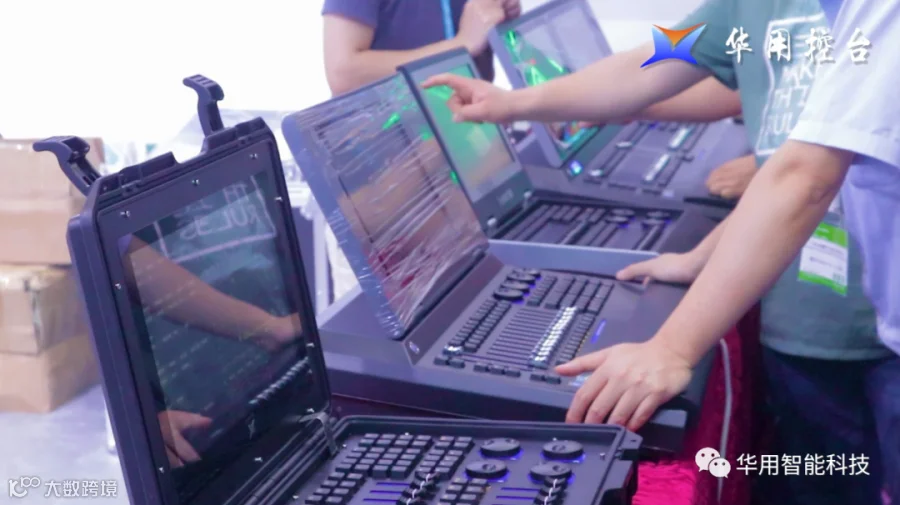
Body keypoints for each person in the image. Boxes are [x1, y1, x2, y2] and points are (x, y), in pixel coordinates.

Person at [421, 0, 899, 502]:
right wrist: (515, 102)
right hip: (806, 312)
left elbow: (804, 176)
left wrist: (673, 348)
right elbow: (653, 61)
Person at [322, 0, 522, 96]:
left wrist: (504, 20)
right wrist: (460, 46)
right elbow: (344, 75)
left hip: (474, 138)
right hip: (392, 150)